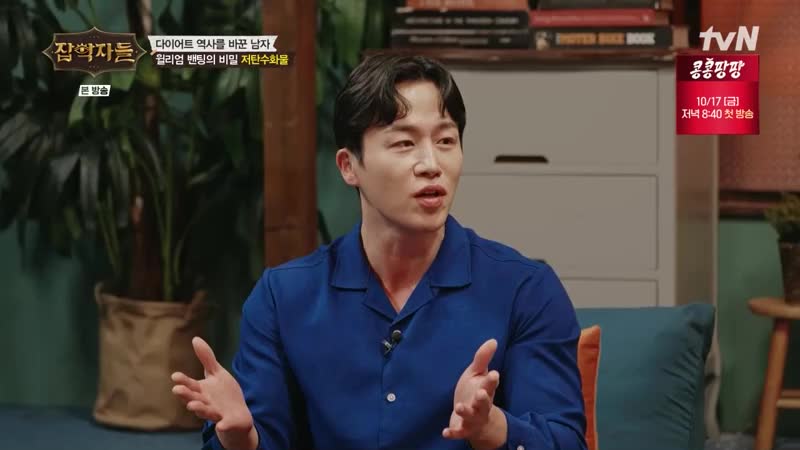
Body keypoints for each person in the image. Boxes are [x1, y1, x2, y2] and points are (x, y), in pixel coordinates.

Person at [171, 53, 588, 450]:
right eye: (404, 143)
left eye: (446, 140)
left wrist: (492, 428)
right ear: (349, 166)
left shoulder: (525, 290)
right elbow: (261, 435)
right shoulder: (284, 297)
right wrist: (241, 437)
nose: (431, 164)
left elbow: (565, 440)